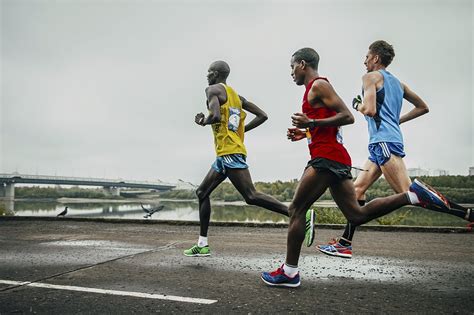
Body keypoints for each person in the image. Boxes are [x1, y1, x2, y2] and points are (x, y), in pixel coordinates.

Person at [261, 47, 457, 287]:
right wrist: (306, 132)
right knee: (356, 214)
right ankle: (410, 196)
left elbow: (347, 116)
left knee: (296, 209)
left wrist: (310, 121)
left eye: (292, 67)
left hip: (327, 159)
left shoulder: (319, 85)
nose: (291, 73)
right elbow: (332, 126)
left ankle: (289, 273)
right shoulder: (313, 90)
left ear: (302, 64)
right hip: (335, 157)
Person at [317, 40, 473, 258]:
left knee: (409, 194)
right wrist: (397, 121)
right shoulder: (398, 84)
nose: (364, 61)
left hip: (383, 142)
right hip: (383, 142)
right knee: (357, 190)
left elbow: (369, 110)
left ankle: (468, 214)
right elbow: (422, 107)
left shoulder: (370, 77)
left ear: (376, 58)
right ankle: (345, 243)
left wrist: (357, 105)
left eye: (367, 56)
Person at [184, 60, 315, 257]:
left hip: (230, 152)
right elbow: (262, 115)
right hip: (225, 153)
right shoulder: (236, 97)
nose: (207, 75)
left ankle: (298, 213)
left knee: (251, 196)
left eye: (209, 72)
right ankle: (202, 244)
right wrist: (240, 130)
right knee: (202, 192)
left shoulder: (212, 90)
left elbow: (216, 116)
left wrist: (203, 121)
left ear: (217, 74)